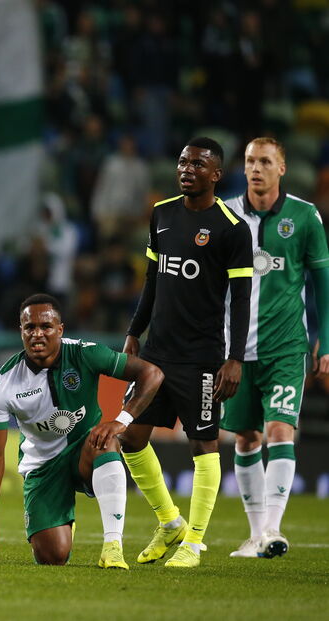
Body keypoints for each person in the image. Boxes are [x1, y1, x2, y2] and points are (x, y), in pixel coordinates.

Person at [122, 137, 253, 568]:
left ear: (216, 174)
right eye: (182, 162)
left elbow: (242, 298)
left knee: (204, 445)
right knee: (131, 437)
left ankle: (194, 542)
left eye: (198, 164)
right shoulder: (162, 214)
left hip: (201, 355)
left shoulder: (232, 228)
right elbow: (152, 280)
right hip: (156, 351)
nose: (186, 169)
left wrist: (234, 358)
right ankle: (169, 522)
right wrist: (134, 332)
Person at [0, 293, 163, 569]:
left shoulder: (85, 353)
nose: (37, 334)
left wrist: (121, 420)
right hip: (43, 466)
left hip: (86, 450)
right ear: (21, 331)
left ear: (60, 330)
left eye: (46, 327)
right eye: (30, 328)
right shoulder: (3, 384)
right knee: (52, 557)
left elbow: (152, 374)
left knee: (106, 439)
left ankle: (113, 547)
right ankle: (61, 523)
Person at [222, 138, 329, 559]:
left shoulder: (304, 216)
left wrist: (327, 339)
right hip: (235, 351)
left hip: (286, 346)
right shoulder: (226, 215)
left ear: (282, 168)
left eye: (266, 161)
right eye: (250, 161)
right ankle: (255, 535)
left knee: (280, 431)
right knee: (246, 439)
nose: (256, 168)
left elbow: (323, 283)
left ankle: (272, 528)